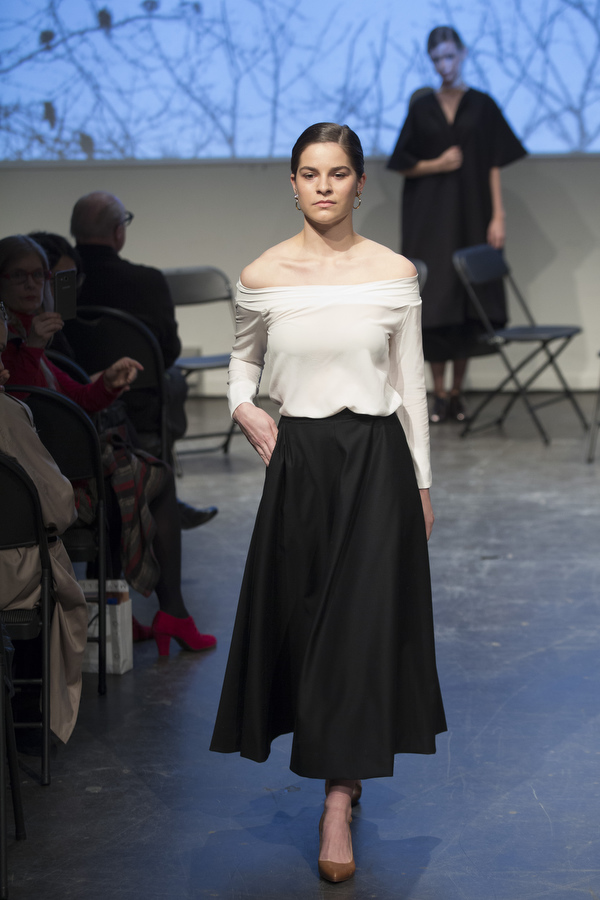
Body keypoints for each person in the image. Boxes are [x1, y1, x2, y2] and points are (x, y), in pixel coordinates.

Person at [210, 123, 446, 883]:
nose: (323, 186)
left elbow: (410, 382)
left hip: (376, 461)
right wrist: (244, 408)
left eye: (338, 173)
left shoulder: (393, 273)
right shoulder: (263, 274)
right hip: (301, 463)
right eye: (310, 173)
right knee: (308, 621)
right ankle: (338, 772)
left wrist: (422, 482)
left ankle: (337, 800)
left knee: (358, 628)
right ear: (292, 183)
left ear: (359, 184)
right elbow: (240, 362)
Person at [0, 234, 216, 656]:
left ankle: (145, 612)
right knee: (148, 478)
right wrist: (35, 348)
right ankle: (169, 612)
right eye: (19, 276)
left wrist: (109, 383)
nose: (31, 285)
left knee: (143, 473)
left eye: (39, 276)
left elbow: (75, 399)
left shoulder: (28, 335)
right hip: (38, 488)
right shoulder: (12, 343)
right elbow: (18, 410)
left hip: (58, 471)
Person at [387, 26, 527, 424]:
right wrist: (438, 164)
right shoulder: (422, 107)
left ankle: (456, 393)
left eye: (449, 56)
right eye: (436, 59)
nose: (444, 66)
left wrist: (498, 215)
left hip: (472, 211)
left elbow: (494, 162)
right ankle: (437, 392)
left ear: (462, 54)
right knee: (435, 301)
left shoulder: (482, 104)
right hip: (429, 216)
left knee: (468, 301)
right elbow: (401, 162)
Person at [68, 195, 218, 529]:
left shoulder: (60, 285)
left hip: (71, 400)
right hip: (137, 403)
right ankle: (161, 486)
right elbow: (168, 351)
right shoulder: (147, 281)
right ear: (118, 231)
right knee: (173, 381)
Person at [0, 301, 88, 744]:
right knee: (48, 552)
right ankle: (31, 713)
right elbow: (56, 506)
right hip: (8, 576)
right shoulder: (7, 411)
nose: (4, 368)